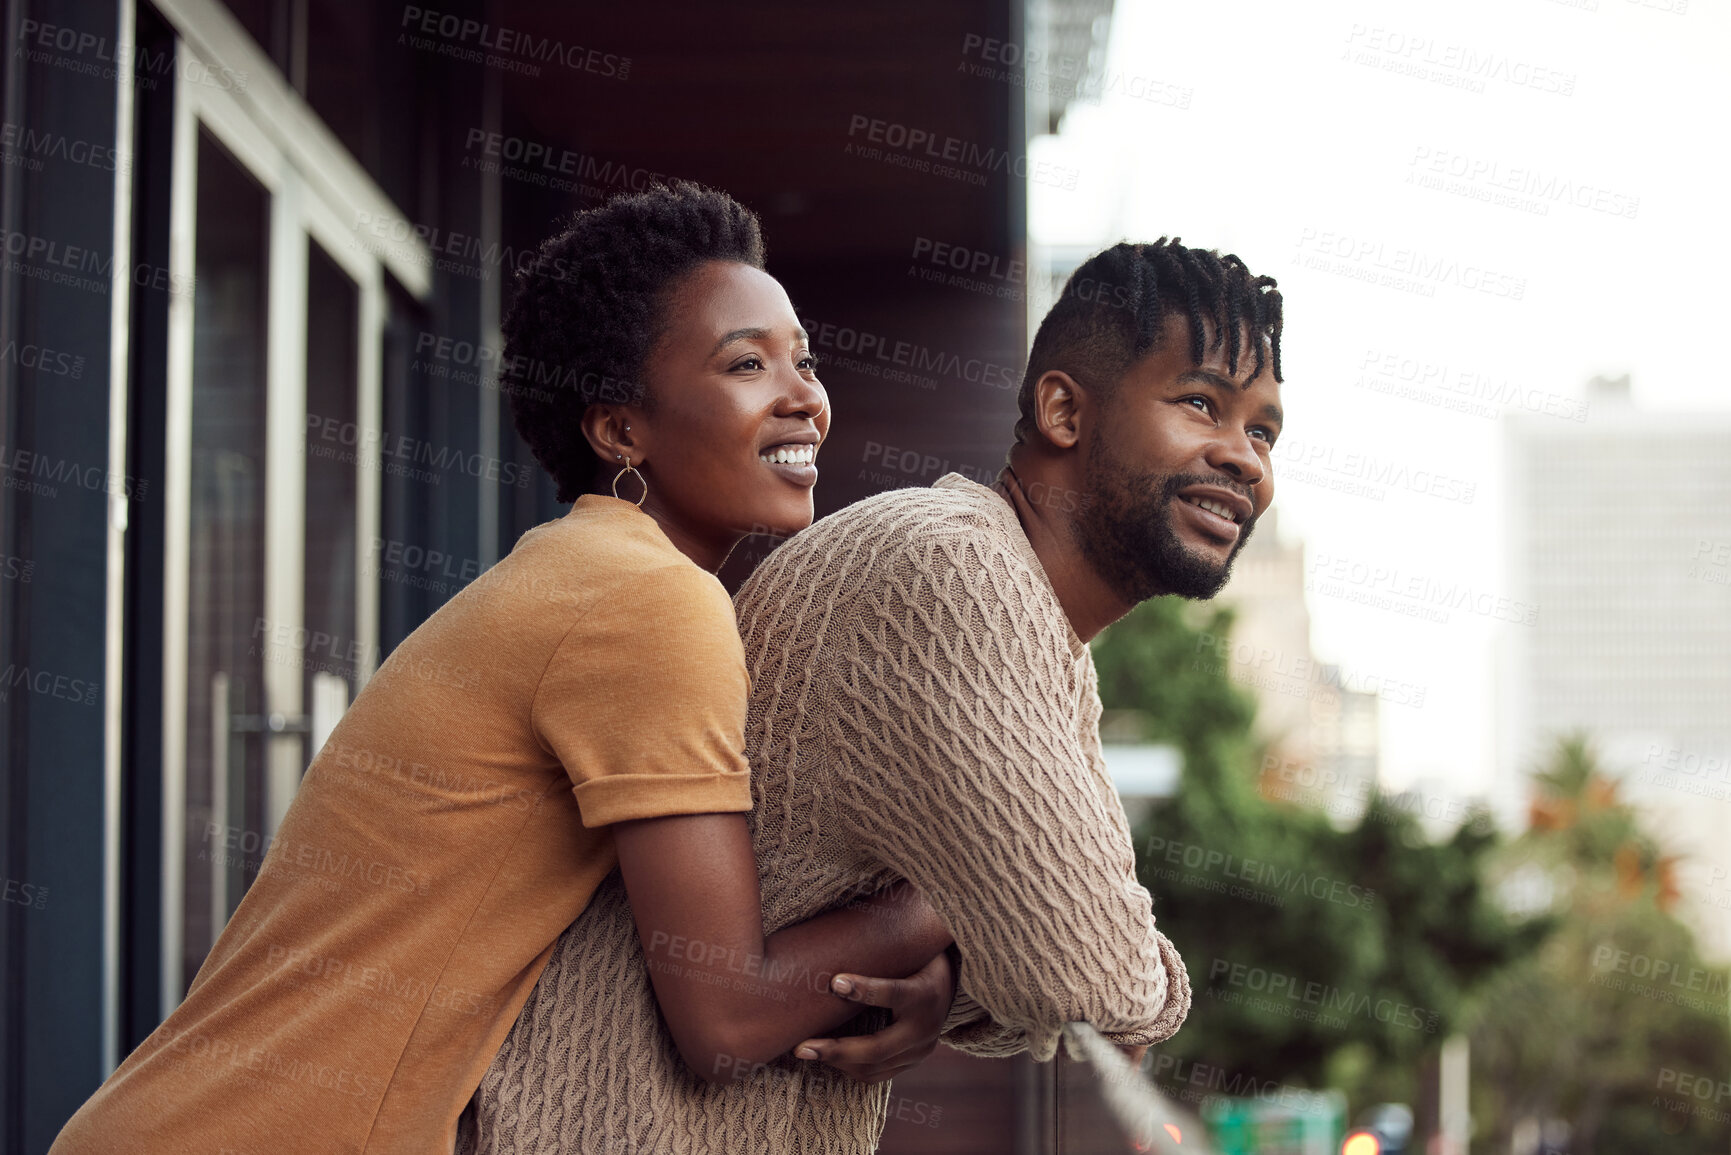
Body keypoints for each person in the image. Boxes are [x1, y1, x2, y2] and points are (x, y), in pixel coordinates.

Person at [50, 183, 960, 1155]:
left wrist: (926, 978)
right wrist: (955, 892)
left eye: (803, 361)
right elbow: (726, 1017)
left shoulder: (587, 575)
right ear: (619, 431)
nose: (805, 399)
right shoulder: (647, 603)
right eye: (746, 363)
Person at [472, 238, 1285, 1153]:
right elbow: (1090, 977)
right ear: (1062, 408)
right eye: (1201, 404)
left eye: (1262, 431)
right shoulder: (952, 571)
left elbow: (1032, 950)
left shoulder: (1035, 629)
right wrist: (970, 932)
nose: (1244, 458)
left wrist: (953, 967)